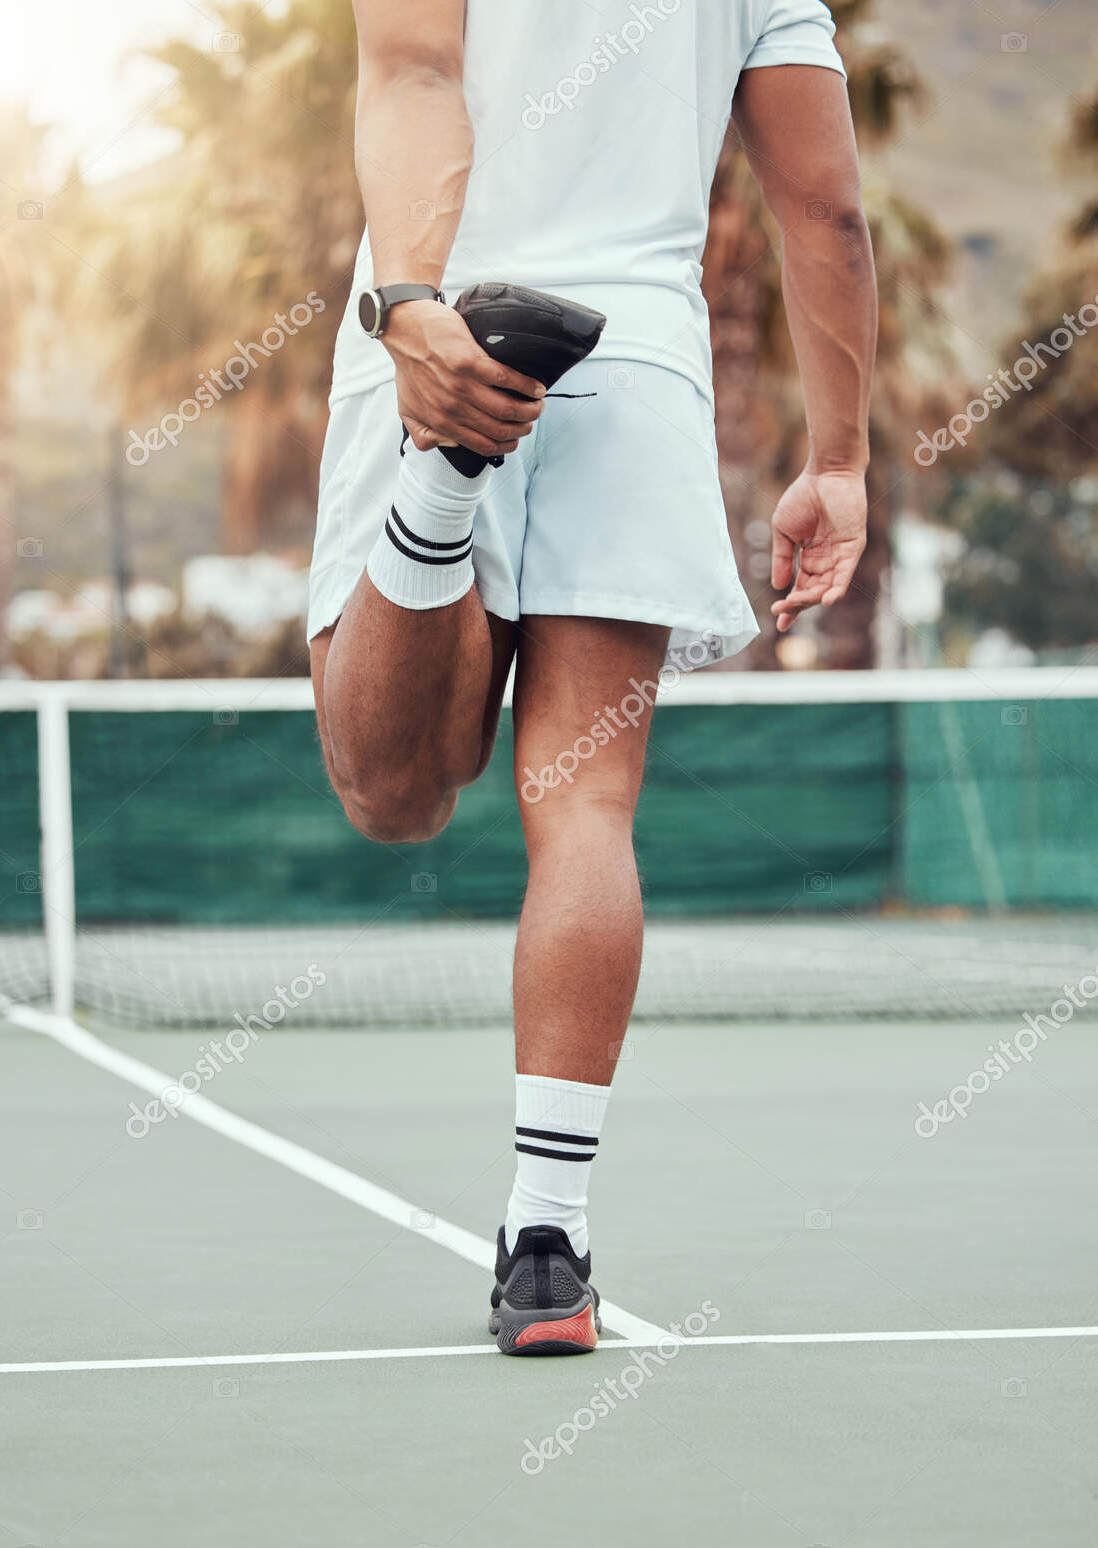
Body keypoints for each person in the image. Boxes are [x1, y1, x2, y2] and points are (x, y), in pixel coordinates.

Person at [308, 0, 877, 1354]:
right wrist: (840, 458)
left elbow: (406, 68)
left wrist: (417, 307)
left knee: (395, 794)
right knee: (585, 807)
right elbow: (829, 210)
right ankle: (547, 1244)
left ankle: (440, 487)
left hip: (440, 321)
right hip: (639, 362)